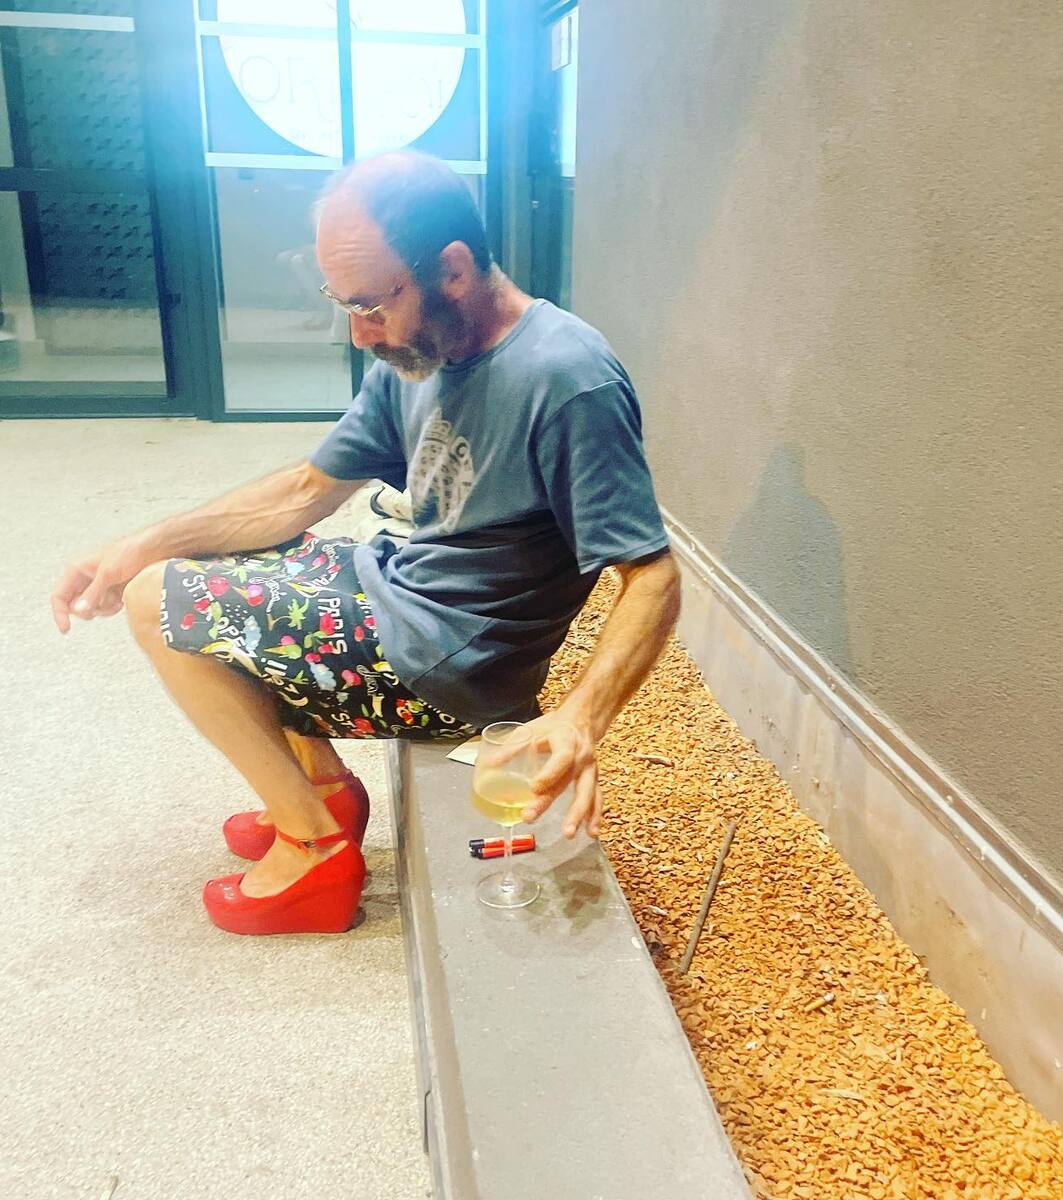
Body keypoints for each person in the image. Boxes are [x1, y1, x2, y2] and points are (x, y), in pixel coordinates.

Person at [50, 151, 681, 937]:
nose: (359, 333)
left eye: (372, 305)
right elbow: (302, 492)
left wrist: (582, 717)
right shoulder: (417, 355)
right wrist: (142, 543)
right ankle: (320, 790)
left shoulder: (566, 378)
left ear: (453, 270)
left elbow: (653, 574)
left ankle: (313, 850)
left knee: (160, 602)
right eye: (343, 303)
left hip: (448, 665)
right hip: (399, 590)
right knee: (196, 565)